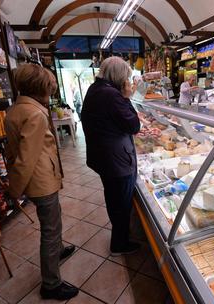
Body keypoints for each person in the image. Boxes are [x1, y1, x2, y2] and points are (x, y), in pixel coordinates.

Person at [4, 64, 78, 301]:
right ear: (39, 89)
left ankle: (56, 252)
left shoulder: (16, 109)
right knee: (50, 229)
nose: (51, 94)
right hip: (41, 182)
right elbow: (26, 159)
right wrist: (14, 190)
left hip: (39, 181)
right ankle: (51, 284)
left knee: (52, 223)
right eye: (49, 89)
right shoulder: (35, 114)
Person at [81, 57, 141, 255]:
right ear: (118, 76)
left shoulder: (94, 89)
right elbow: (134, 126)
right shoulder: (112, 95)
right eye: (126, 77)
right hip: (116, 161)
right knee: (121, 204)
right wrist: (126, 97)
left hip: (103, 158)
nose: (128, 81)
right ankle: (119, 244)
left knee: (114, 199)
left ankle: (120, 237)